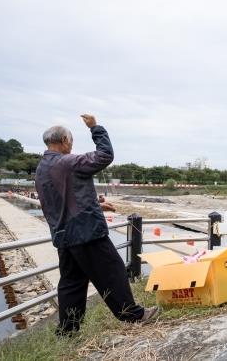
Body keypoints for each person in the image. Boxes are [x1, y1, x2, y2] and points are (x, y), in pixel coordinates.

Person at [35, 114, 159, 335]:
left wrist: (97, 205)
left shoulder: (42, 168)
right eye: (70, 141)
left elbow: (62, 199)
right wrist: (95, 128)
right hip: (86, 233)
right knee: (113, 271)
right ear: (64, 140)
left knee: (72, 283)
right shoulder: (68, 162)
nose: (71, 145)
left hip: (64, 236)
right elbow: (104, 155)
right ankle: (133, 314)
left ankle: (68, 330)